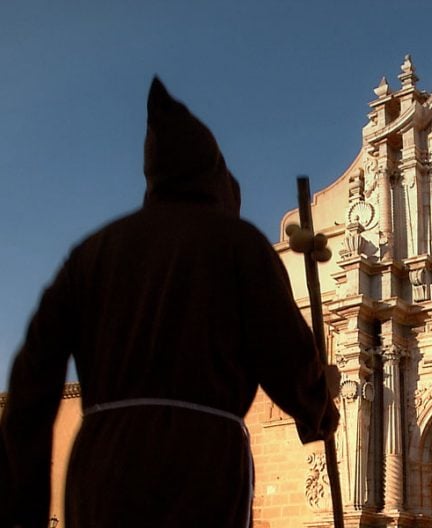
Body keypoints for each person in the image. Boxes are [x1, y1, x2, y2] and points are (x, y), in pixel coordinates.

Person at [0, 77, 339, 527]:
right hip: (201, 465)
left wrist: (22, 507)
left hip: (104, 466)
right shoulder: (239, 244)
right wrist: (317, 408)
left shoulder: (93, 252)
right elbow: (285, 348)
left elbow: (31, 376)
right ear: (215, 177)